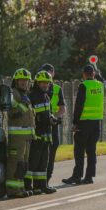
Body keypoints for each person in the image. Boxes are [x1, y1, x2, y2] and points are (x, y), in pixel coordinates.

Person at [62, 64, 104, 185]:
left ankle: (77, 176)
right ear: (94, 74)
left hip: (84, 122)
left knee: (79, 151)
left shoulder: (83, 85)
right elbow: (102, 79)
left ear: (84, 75)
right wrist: (97, 71)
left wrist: (75, 122)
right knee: (91, 151)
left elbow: (79, 105)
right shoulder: (100, 85)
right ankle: (89, 177)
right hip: (96, 123)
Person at [6, 69, 34, 198]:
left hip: (26, 136)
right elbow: (13, 111)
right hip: (17, 136)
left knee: (23, 163)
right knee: (15, 162)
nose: (24, 83)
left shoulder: (24, 95)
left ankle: (20, 187)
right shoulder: (14, 94)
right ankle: (13, 190)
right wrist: (22, 107)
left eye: (26, 81)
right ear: (16, 82)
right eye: (21, 80)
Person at [25, 70, 54, 195]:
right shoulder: (32, 96)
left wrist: (52, 119)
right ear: (37, 83)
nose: (45, 85)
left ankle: (41, 186)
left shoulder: (46, 96)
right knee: (33, 162)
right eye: (43, 82)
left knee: (43, 163)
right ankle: (28, 186)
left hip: (46, 134)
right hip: (36, 134)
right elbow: (29, 116)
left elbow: (48, 113)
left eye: (47, 83)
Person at [38, 63, 66, 191]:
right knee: (37, 155)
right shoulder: (35, 88)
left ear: (53, 74)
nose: (47, 75)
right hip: (38, 126)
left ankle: (46, 182)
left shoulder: (57, 89)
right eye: (45, 72)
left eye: (49, 72)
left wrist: (54, 117)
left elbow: (62, 108)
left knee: (51, 154)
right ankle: (36, 183)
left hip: (52, 126)